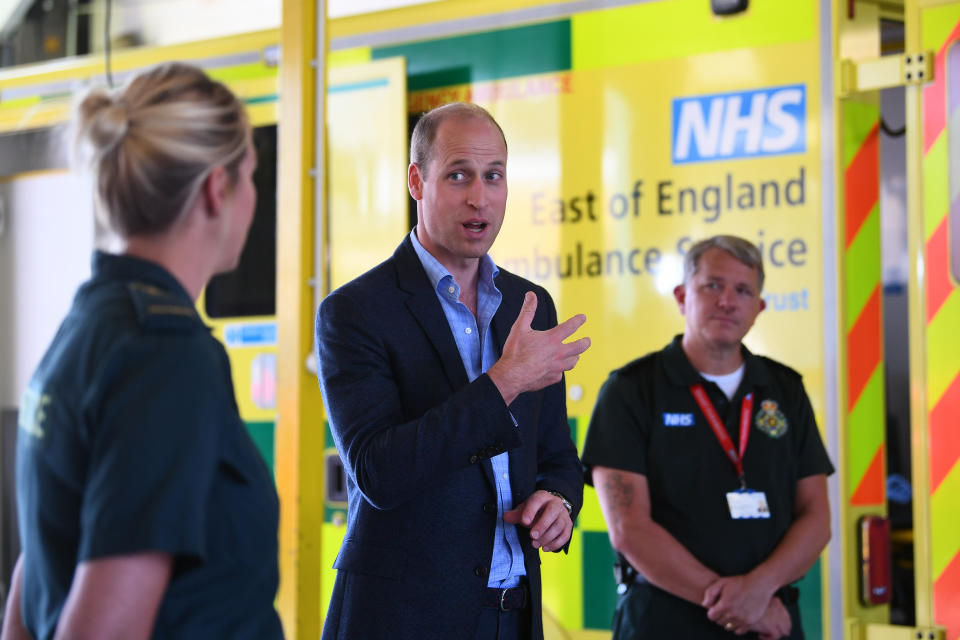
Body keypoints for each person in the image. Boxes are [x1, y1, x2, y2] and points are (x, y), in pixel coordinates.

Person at [1, 62, 283, 640]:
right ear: (217, 189)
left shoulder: (86, 325)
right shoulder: (166, 356)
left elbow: (36, 572)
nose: (254, 198)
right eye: (251, 176)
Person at [315, 102, 589, 640]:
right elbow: (378, 473)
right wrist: (503, 381)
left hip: (513, 612)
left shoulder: (529, 304)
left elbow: (557, 454)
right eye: (458, 175)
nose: (478, 197)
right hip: (403, 617)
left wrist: (559, 502)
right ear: (417, 181)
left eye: (494, 177)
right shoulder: (356, 311)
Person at [582, 235, 833, 640]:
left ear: (759, 308)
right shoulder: (631, 390)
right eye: (713, 285)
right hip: (665, 622)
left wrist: (759, 590)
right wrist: (738, 604)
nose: (727, 301)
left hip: (771, 620)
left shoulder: (786, 390)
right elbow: (630, 528)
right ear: (682, 296)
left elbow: (817, 517)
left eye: (743, 290)